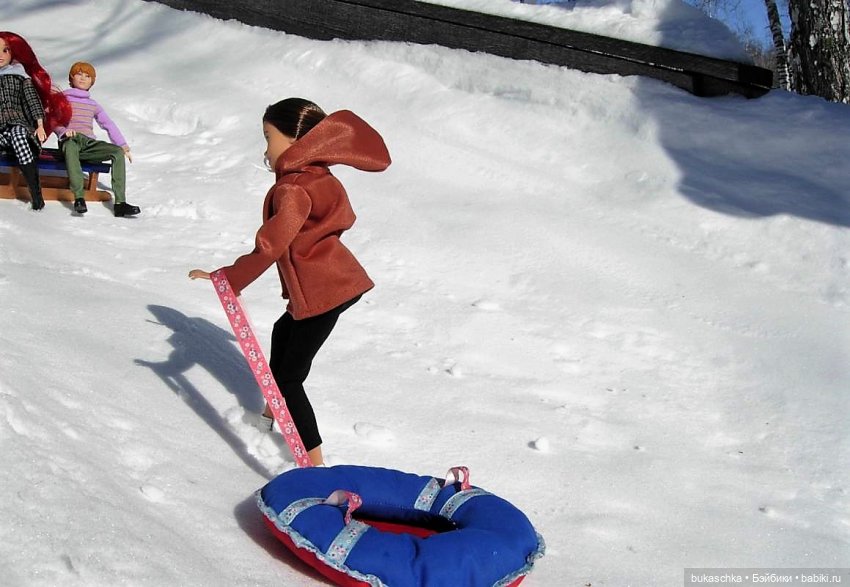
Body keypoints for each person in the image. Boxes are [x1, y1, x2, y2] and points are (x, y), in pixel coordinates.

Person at [189, 98, 391, 466]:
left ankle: (315, 464)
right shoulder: (320, 176)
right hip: (338, 281)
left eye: (269, 137)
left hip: (324, 291)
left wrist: (228, 278)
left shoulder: (294, 188)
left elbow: (271, 244)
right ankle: (270, 413)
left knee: (289, 378)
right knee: (284, 333)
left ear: (293, 140)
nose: (266, 148)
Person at [53, 62, 139, 216]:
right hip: (70, 141)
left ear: (92, 82)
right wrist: (64, 131)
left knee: (117, 152)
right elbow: (53, 120)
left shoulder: (93, 104)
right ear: (71, 78)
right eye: (79, 74)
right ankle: (79, 197)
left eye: (88, 76)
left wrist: (122, 145)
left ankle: (120, 203)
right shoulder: (62, 99)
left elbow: (108, 124)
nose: (83, 78)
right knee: (71, 147)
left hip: (88, 144)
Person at [0, 31, 70, 211]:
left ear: (13, 53)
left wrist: (39, 125)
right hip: (1, 132)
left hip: (20, 127)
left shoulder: (20, 77)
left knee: (18, 135)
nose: (0, 55)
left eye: (5, 50)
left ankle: (36, 194)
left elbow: (32, 101)